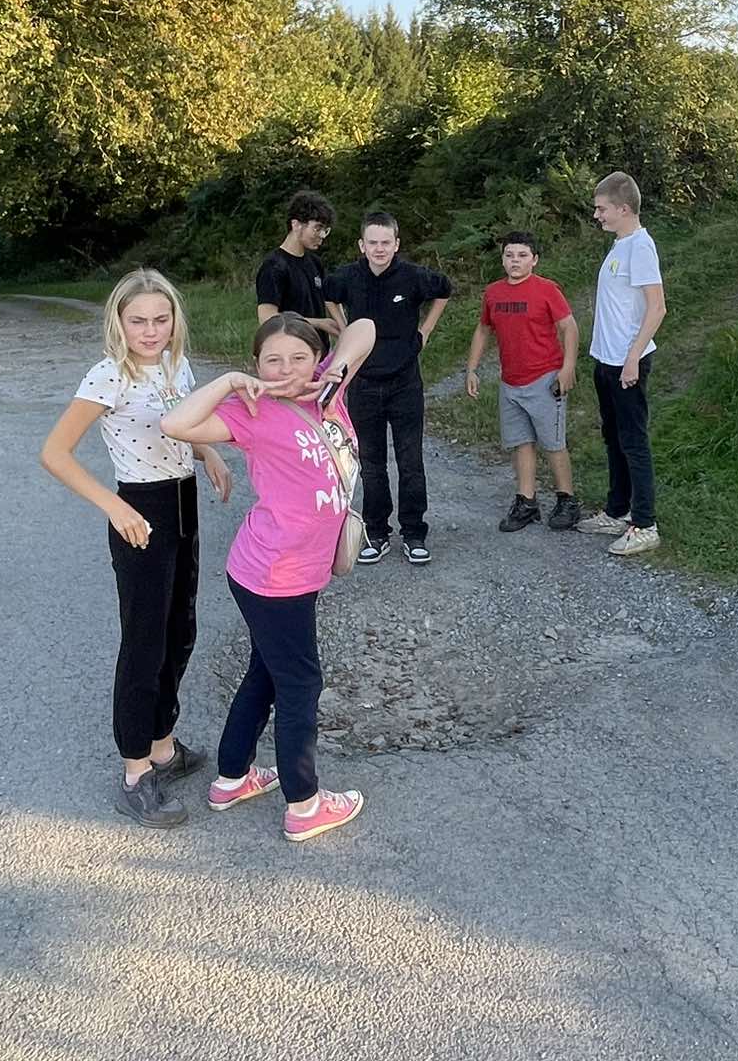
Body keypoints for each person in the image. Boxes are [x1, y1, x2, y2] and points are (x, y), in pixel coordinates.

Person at [160, 314, 376, 842]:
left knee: (266, 671)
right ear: (256, 365)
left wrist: (337, 370)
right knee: (300, 682)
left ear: (317, 359)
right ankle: (304, 804)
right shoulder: (250, 409)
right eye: (271, 360)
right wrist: (230, 382)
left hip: (292, 570)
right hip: (274, 574)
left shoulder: (327, 388)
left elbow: (365, 327)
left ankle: (232, 778)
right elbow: (175, 425)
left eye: (299, 357)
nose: (287, 369)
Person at [40, 268, 234, 829]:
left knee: (180, 630)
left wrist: (210, 454)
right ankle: (134, 772)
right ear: (119, 323)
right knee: (145, 642)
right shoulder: (109, 376)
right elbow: (54, 453)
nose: (150, 331)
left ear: (175, 320)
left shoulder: (177, 365)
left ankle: (163, 747)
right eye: (138, 321)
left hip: (183, 504)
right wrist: (114, 506)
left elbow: (183, 426)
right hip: (140, 512)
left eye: (160, 319)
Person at [324, 212, 451, 565]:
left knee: (410, 461)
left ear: (396, 244)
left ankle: (414, 533)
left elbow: (444, 290)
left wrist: (425, 331)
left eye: (385, 243)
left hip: (404, 383)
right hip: (362, 383)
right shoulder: (348, 277)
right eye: (372, 243)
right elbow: (328, 295)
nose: (379, 249)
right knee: (371, 462)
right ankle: (376, 532)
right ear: (361, 245)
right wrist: (345, 329)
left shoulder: (413, 276)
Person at [464, 229, 581, 532]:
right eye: (509, 255)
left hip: (545, 378)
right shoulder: (494, 293)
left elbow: (569, 327)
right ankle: (526, 502)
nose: (515, 261)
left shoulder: (546, 290)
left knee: (553, 442)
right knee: (521, 442)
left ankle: (567, 500)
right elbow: (483, 329)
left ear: (534, 260)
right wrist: (472, 368)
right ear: (502, 259)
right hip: (510, 382)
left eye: (522, 255)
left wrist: (567, 367)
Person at [578, 171, 666, 557]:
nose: (596, 215)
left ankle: (645, 524)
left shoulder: (640, 247)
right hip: (607, 359)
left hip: (627, 362)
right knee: (613, 437)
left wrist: (632, 358)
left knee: (633, 440)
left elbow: (657, 308)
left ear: (624, 208)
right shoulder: (619, 245)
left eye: (602, 209)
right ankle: (617, 510)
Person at [255, 189, 340, 338]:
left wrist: (344, 329)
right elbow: (267, 319)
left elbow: (331, 299)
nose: (322, 235)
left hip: (319, 349)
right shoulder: (274, 267)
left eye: (325, 230)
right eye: (317, 228)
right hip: (291, 349)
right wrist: (319, 323)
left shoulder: (315, 263)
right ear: (296, 225)